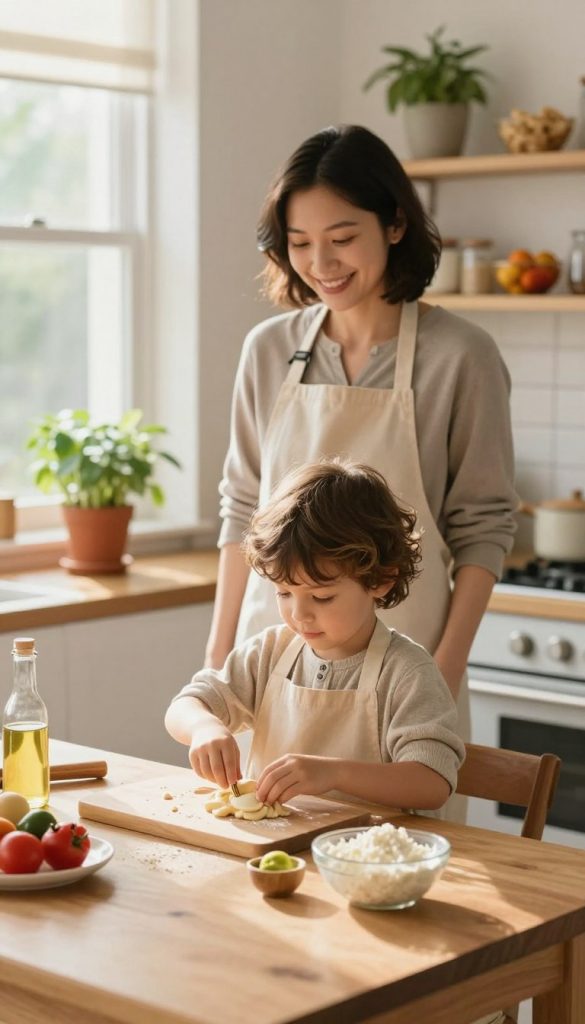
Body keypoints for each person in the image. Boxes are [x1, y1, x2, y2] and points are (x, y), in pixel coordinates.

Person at [205, 124, 517, 792]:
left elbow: (482, 527)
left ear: (395, 224)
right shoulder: (267, 350)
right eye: (299, 244)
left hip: (407, 670)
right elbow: (241, 506)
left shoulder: (460, 356)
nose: (321, 263)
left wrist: (443, 669)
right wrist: (217, 652)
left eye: (342, 238)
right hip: (278, 663)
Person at [166, 460, 465, 811]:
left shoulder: (406, 672)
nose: (299, 613)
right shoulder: (269, 652)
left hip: (363, 858)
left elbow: (432, 783)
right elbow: (183, 706)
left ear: (380, 580)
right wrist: (203, 727)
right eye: (283, 593)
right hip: (276, 858)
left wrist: (334, 774)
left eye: (322, 597)